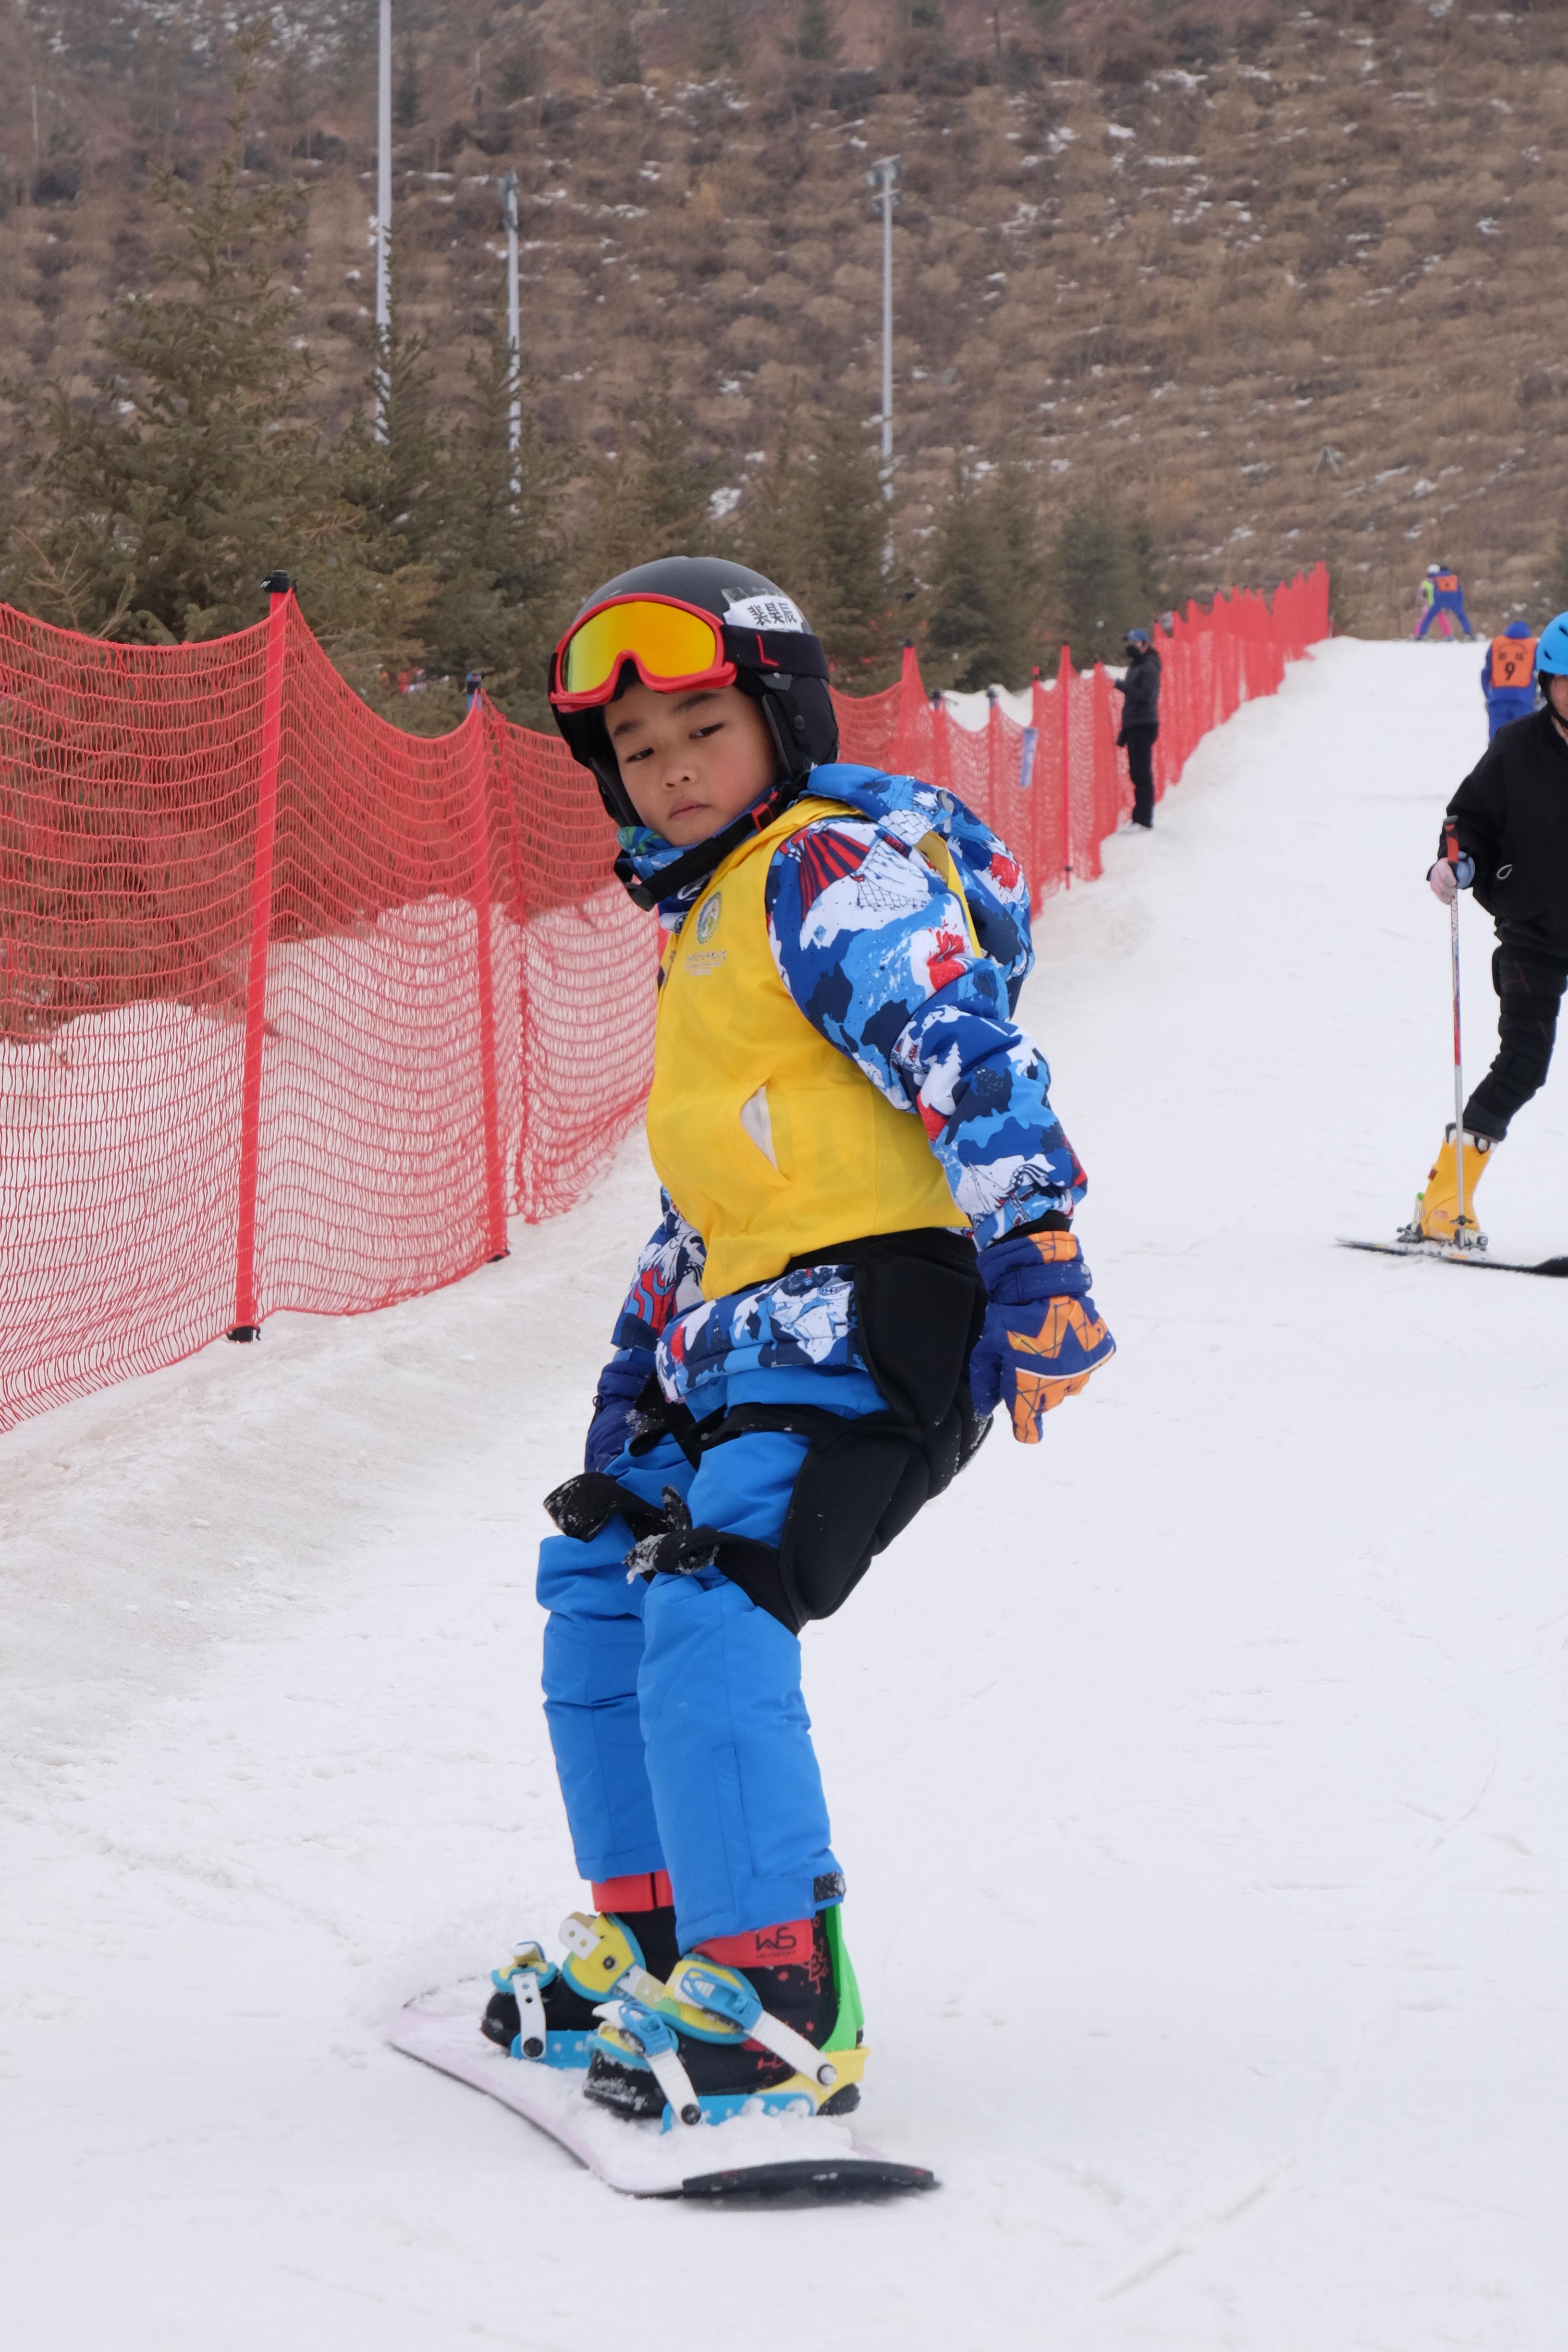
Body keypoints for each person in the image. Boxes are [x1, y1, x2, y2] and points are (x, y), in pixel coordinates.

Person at [481, 557, 1115, 2130]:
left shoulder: (825, 867)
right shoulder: (705, 916)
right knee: (600, 1572)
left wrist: (1036, 1246)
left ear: (780, 713)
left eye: (704, 725)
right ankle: (655, 1950)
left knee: (716, 1590)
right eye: (638, 748)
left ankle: (777, 1997)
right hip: (747, 1336)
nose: (674, 765)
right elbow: (705, 1205)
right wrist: (632, 1393)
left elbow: (965, 1049)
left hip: (879, 1321)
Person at [1412, 608, 1568, 1239]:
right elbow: (1467, 821)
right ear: (1547, 685)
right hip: (1533, 931)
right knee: (1523, 1065)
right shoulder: (1515, 751)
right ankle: (1443, 1202)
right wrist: (1460, 865)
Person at [1114, 626, 1162, 828]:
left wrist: (1120, 685)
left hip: (1144, 724)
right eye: (1129, 643)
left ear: (1145, 644)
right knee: (1136, 772)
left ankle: (1143, 819)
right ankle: (1139, 817)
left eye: (1134, 643)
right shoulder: (1136, 666)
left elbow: (1145, 696)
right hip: (1135, 724)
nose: (1130, 647)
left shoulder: (1149, 667)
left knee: (1141, 773)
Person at [1481, 620, 1537, 742]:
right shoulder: (1533, 645)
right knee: (1524, 743)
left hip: (1497, 701)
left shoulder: (1496, 644)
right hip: (1524, 701)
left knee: (1497, 743)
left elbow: (1485, 673)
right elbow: (1543, 673)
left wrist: (1488, 695)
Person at [1415, 562, 1475, 642]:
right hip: (1454, 601)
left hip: (1440, 601)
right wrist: (1460, 603)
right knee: (1462, 617)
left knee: (1428, 617)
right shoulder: (1454, 578)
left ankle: (1422, 634)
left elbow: (1435, 592)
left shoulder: (1437, 579)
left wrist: (1437, 603)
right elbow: (1460, 592)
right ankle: (1469, 633)